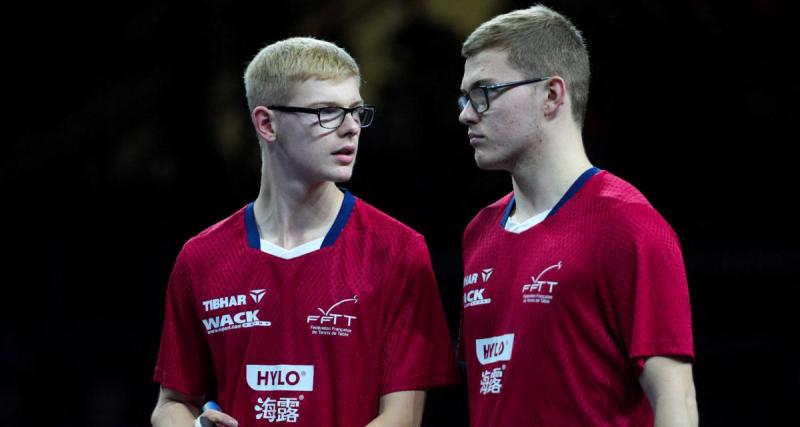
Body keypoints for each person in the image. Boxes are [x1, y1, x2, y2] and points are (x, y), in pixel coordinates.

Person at [151, 37, 458, 427]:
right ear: (267, 123)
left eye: (355, 111)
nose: (350, 128)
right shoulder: (201, 257)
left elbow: (403, 417)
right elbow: (171, 404)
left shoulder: (397, 250)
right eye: (326, 111)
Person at [456, 5, 697, 426]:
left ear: (551, 95)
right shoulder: (479, 233)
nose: (466, 113)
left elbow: (675, 398)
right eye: (465, 96)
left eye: (485, 92)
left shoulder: (629, 226)